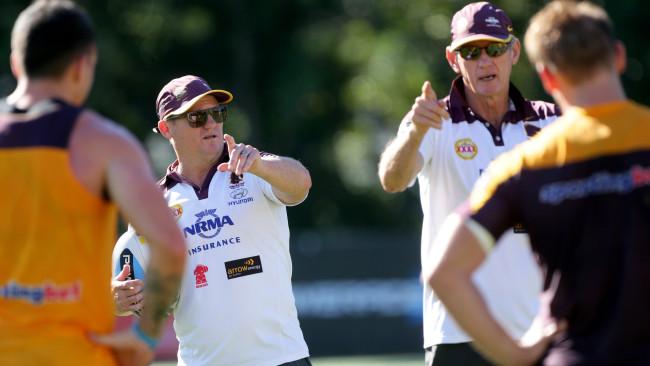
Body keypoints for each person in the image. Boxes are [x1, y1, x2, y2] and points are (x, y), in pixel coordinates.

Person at [427, 1, 650, 365]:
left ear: (547, 77)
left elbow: (443, 272)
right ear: (619, 56)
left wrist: (515, 354)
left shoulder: (523, 165)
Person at [0, 1, 186, 365]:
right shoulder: (104, 143)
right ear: (82, 65)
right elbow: (170, 245)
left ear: (16, 64)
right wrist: (145, 335)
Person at [378, 2, 560, 364]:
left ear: (515, 51)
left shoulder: (551, 121)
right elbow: (392, 180)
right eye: (470, 51)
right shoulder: (431, 122)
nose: (483, 61)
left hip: (539, 328)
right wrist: (414, 133)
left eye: (494, 48)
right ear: (452, 59)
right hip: (457, 332)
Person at [113, 74, 313, 366]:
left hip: (282, 358)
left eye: (217, 113)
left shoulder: (253, 167)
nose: (211, 124)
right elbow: (130, 284)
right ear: (166, 128)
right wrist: (119, 301)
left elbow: (301, 184)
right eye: (196, 117)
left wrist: (261, 165)